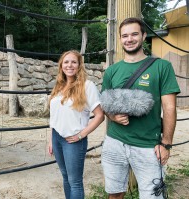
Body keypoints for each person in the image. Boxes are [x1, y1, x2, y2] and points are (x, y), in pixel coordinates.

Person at [101, 17, 180, 199]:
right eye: (125, 35)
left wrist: (166, 144)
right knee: (114, 193)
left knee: (152, 196)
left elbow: (170, 108)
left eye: (134, 34)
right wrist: (112, 117)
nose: (129, 39)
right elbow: (105, 104)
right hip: (114, 142)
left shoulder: (162, 67)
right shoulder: (111, 71)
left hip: (148, 147)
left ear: (144, 36)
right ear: (120, 39)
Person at [48, 50, 105, 199]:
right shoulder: (59, 87)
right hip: (57, 137)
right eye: (66, 62)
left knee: (75, 182)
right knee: (65, 177)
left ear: (79, 65)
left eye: (73, 62)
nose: (69, 65)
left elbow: (100, 115)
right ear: (61, 66)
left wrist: (81, 134)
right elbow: (54, 116)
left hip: (74, 140)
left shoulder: (87, 86)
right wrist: (50, 140)